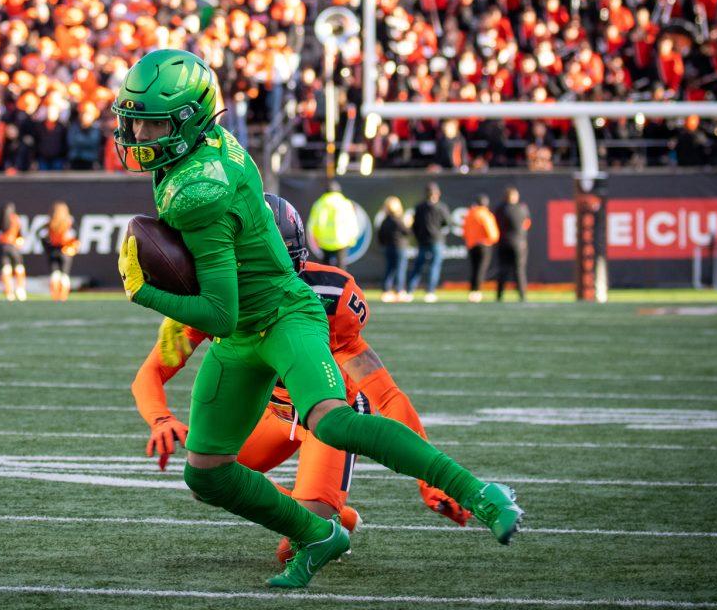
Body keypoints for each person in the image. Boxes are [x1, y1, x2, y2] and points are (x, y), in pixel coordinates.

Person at [112, 49, 522, 589]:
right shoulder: (216, 147)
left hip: (282, 319)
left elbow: (222, 309)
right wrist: (161, 418)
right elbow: (166, 360)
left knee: (332, 419)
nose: (138, 131)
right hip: (243, 349)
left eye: (152, 121)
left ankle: (479, 493)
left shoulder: (217, 212)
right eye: (134, 117)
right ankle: (320, 535)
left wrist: (142, 290)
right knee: (204, 473)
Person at [134, 194, 469, 563]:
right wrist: (160, 418)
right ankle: (330, 514)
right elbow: (152, 371)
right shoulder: (212, 303)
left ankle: (319, 514)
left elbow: (385, 395)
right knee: (208, 477)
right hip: (275, 414)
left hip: (328, 419)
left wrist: (429, 477)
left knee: (296, 546)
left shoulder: (328, 298)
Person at [403, 182, 451, 303]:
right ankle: (428, 292)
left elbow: (415, 225)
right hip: (434, 241)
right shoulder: (439, 207)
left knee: (421, 267)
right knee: (430, 266)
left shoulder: (421, 207)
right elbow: (446, 223)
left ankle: (412, 291)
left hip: (427, 241)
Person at [307, 182, 359, 268]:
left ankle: (326, 281)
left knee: (326, 267)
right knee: (341, 267)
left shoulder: (319, 203)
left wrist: (315, 238)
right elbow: (352, 222)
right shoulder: (345, 203)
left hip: (324, 241)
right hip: (342, 241)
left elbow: (312, 224)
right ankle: (341, 281)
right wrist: (352, 238)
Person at [495, 186, 531, 302]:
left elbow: (496, 224)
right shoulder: (522, 208)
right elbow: (527, 224)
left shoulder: (500, 209)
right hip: (519, 243)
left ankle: (499, 296)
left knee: (503, 270)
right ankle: (522, 295)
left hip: (504, 242)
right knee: (519, 270)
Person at [463, 194, 500, 304]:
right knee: (481, 269)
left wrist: (470, 241)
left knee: (474, 270)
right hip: (484, 245)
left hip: (472, 245)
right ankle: (477, 292)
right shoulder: (485, 214)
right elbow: (492, 233)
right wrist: (492, 239)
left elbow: (464, 231)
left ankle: (472, 292)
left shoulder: (470, 213)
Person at [42, 201, 79, 302]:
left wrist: (47, 247)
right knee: (65, 274)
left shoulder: (49, 222)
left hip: (53, 251)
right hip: (65, 251)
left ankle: (55, 296)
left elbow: (40, 234)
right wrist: (72, 247)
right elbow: (76, 235)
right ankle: (63, 296)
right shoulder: (69, 221)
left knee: (55, 274)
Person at [376, 196, 410, 303]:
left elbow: (380, 235)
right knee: (400, 269)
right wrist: (409, 223)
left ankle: (386, 291)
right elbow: (407, 232)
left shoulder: (385, 220)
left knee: (389, 269)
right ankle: (399, 291)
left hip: (388, 248)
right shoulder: (398, 220)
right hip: (399, 248)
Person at [0, 202, 27, 301]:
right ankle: (20, 289)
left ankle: (9, 292)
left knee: (6, 269)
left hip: (3, 247)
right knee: (19, 267)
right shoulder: (15, 219)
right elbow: (20, 235)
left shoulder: (1, 219)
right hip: (13, 247)